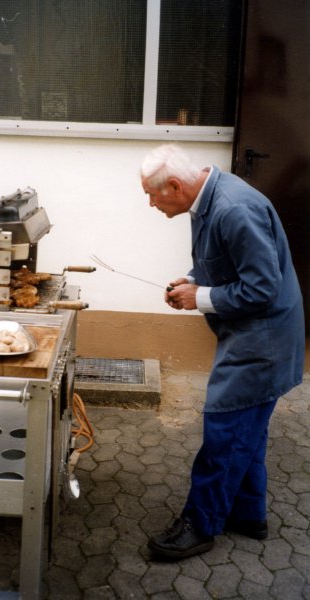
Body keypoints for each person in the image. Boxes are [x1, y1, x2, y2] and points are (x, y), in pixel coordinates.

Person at [140, 144, 305, 561]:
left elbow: (262, 289)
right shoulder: (206, 198)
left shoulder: (234, 209)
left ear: (174, 186)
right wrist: (193, 281)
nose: (151, 204)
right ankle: (248, 516)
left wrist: (200, 297)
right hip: (252, 334)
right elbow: (228, 262)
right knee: (247, 432)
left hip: (262, 340)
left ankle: (200, 524)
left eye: (152, 195)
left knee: (225, 431)